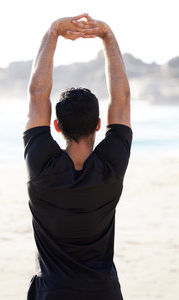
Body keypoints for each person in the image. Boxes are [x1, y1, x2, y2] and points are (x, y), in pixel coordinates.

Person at [23, 13, 132, 300]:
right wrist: (107, 36)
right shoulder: (111, 166)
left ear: (56, 126)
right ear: (98, 124)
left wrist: (53, 32)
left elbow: (37, 94)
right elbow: (121, 97)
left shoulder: (42, 166)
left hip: (53, 293)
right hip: (103, 292)